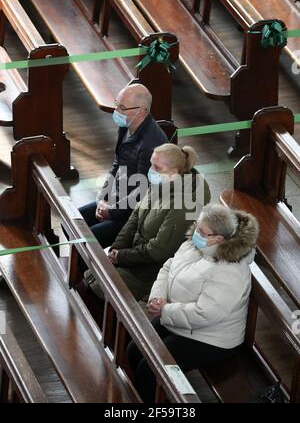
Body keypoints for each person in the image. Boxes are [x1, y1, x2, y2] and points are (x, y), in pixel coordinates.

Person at [127, 204, 259, 402]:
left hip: (212, 337)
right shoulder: (195, 244)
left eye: (201, 231)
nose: (195, 233)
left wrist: (165, 310)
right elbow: (169, 267)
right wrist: (158, 297)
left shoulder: (231, 271)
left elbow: (205, 314)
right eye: (196, 227)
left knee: (149, 370)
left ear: (219, 239)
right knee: (134, 348)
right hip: (178, 318)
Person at [87, 143, 211, 301]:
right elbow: (135, 216)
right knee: (89, 274)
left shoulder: (185, 205)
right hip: (134, 257)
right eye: (152, 164)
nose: (151, 170)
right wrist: (117, 249)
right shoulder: (160, 183)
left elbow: (159, 250)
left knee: (93, 292)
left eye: (157, 167)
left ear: (174, 172)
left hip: (151, 272)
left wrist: (122, 257)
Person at [79, 84, 168, 249]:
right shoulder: (126, 126)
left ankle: (85, 273)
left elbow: (143, 191)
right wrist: (103, 197)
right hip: (116, 198)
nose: (116, 111)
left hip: (133, 214)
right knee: (73, 222)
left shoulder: (151, 144)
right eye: (117, 105)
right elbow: (117, 163)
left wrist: (111, 212)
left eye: (122, 107)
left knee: (87, 242)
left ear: (141, 111)